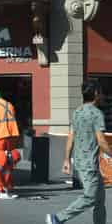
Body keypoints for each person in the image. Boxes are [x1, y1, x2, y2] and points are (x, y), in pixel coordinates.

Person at [46, 81, 112, 224]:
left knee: (99, 199)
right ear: (95, 94)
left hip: (81, 162)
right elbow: (101, 140)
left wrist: (66, 159)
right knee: (91, 197)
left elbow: (71, 136)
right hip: (89, 165)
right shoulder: (96, 114)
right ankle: (58, 218)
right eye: (100, 92)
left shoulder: (77, 112)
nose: (102, 95)